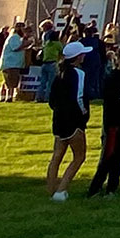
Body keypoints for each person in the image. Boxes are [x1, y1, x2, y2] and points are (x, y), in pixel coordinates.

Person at [86, 44, 120, 198]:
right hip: (114, 126)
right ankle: (95, 189)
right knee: (107, 158)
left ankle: (112, 188)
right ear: (118, 59)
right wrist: (112, 125)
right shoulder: (112, 78)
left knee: (119, 158)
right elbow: (110, 104)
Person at [43, 40, 91, 199]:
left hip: (58, 120)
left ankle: (51, 189)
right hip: (74, 121)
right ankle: (61, 189)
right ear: (78, 57)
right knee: (79, 156)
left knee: (57, 155)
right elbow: (79, 96)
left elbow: (52, 100)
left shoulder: (59, 73)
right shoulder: (79, 73)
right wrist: (84, 114)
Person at [0, 23, 29, 102]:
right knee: (11, 81)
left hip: (14, 63)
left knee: (7, 81)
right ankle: (9, 97)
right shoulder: (14, 37)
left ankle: (3, 96)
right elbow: (15, 48)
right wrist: (26, 43)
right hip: (11, 63)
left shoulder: (17, 37)